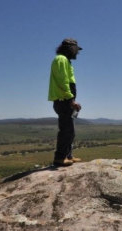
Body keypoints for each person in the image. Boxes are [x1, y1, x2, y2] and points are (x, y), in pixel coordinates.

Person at [48, 38, 83, 166]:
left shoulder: (66, 61)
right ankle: (60, 157)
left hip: (65, 100)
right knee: (66, 130)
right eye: (76, 50)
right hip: (63, 100)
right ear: (70, 48)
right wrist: (71, 100)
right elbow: (63, 82)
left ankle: (68, 155)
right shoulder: (61, 59)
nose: (77, 53)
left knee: (70, 130)